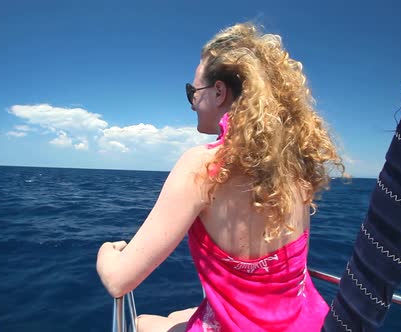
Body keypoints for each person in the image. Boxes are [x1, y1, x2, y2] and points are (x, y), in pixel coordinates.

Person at [96, 22, 345, 332]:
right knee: (174, 318)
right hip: (308, 322)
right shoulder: (295, 166)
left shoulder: (202, 166)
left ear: (218, 92)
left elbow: (120, 281)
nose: (191, 102)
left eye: (192, 91)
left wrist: (106, 251)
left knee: (144, 322)